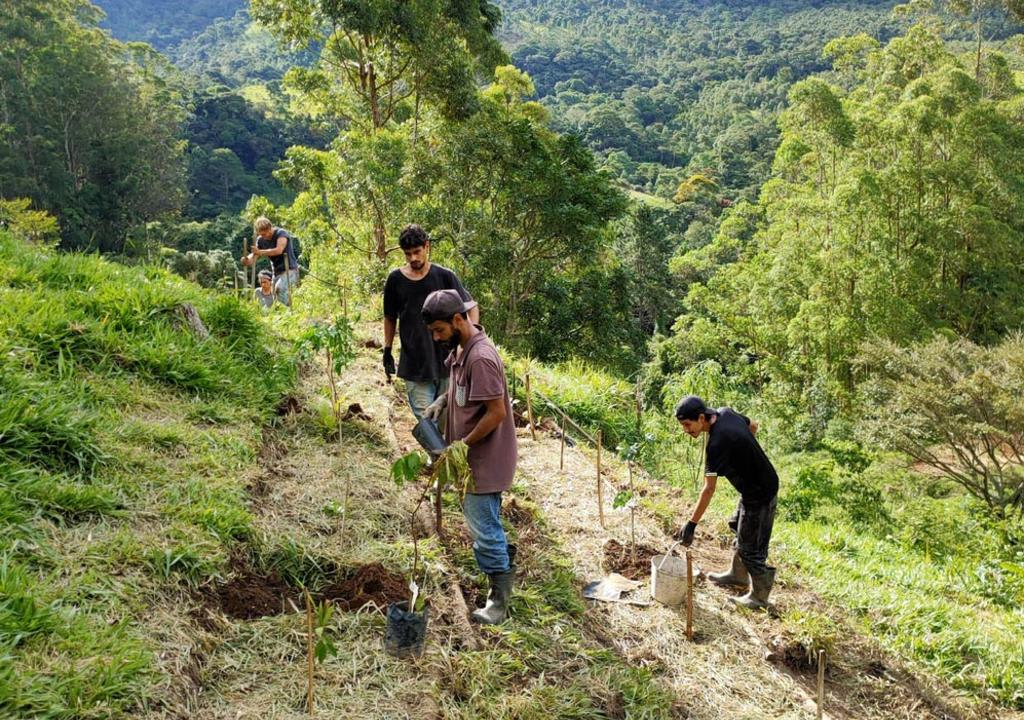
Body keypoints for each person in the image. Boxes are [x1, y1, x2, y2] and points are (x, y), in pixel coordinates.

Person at [420, 289, 517, 624]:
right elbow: (460, 387)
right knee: (486, 523)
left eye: (439, 330)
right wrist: (442, 402)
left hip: (484, 460)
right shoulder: (462, 349)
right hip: (473, 459)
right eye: (433, 331)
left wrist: (462, 445)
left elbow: (496, 413)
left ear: (458, 320)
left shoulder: (481, 358)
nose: (436, 337)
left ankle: (499, 604)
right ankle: (501, 567)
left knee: (485, 528)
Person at [675, 395, 779, 609]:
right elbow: (753, 426)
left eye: (688, 424)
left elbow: (709, 489)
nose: (686, 430)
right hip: (753, 488)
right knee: (738, 527)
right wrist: (746, 455)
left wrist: (692, 523)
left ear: (701, 417)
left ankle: (759, 597)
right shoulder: (726, 412)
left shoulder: (716, 444)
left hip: (761, 493)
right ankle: (737, 575)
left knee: (751, 549)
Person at [383, 224, 477, 420]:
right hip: (415, 362)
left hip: (447, 360)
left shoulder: (444, 276)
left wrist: (471, 341)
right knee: (426, 422)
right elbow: (390, 316)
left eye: (417, 252)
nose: (413, 258)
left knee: (447, 420)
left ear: (427, 247)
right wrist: (387, 349)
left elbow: (471, 307)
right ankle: (438, 453)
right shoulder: (395, 280)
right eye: (408, 254)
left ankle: (448, 452)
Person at [241, 216, 299, 306]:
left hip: (289, 269)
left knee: (280, 289)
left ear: (270, 227)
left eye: (266, 233)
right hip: (276, 272)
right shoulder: (260, 240)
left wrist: (260, 252)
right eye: (262, 234)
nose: (265, 236)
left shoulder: (281, 233)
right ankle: (284, 317)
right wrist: (247, 259)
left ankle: (288, 314)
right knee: (275, 296)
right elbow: (255, 254)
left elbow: (278, 250)